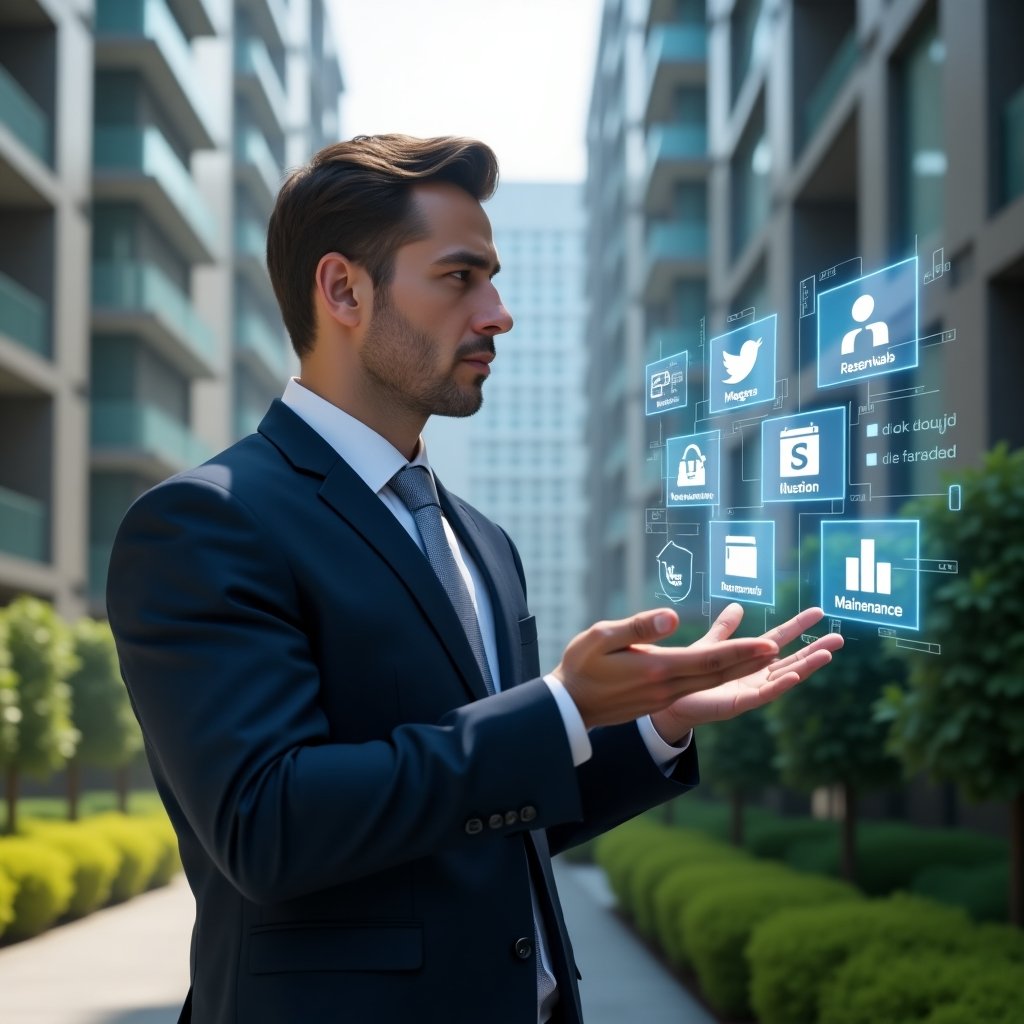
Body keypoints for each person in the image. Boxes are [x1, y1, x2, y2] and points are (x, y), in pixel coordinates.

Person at [107, 135, 843, 1024]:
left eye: (492, 279)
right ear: (343, 289)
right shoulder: (205, 521)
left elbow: (495, 820)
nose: (498, 314)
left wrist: (646, 728)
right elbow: (267, 827)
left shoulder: (481, 540)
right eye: (461, 278)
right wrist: (562, 709)